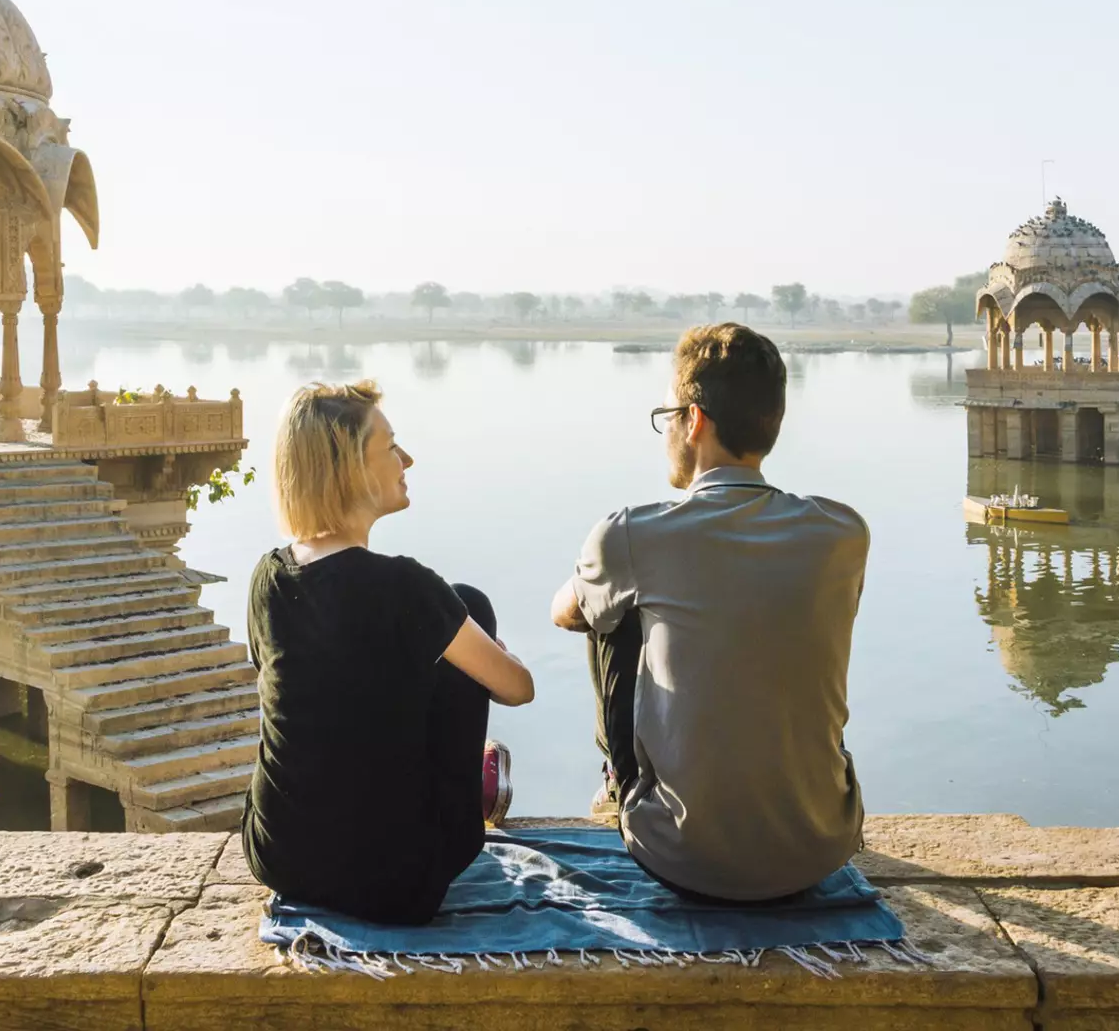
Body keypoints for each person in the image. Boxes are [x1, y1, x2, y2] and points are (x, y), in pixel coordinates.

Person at [550, 323, 869, 903]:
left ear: (694, 420)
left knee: (608, 617)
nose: (667, 428)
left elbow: (564, 612)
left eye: (668, 414)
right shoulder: (842, 531)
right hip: (822, 848)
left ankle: (620, 785)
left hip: (682, 857)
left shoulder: (633, 533)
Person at [244, 380, 534, 925]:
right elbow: (519, 689)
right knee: (469, 604)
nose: (408, 459)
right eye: (391, 447)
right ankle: (473, 785)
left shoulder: (269, 578)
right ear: (350, 467)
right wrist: (489, 650)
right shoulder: (408, 587)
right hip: (399, 884)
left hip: (278, 855)